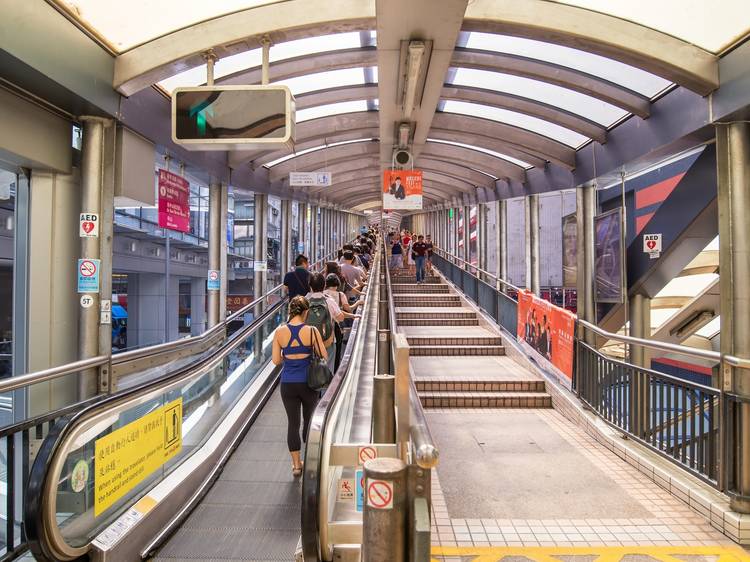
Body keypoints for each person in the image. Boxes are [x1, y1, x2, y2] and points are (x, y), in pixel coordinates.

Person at [272, 296, 327, 477]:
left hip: (288, 384)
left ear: (290, 311)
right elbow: (323, 355)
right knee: (309, 421)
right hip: (308, 383)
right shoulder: (311, 331)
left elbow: (276, 360)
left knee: (292, 424)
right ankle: (310, 458)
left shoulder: (279, 332)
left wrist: (289, 356)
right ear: (306, 312)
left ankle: (296, 465)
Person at [325, 273, 362, 370]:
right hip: (336, 327)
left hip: (322, 326)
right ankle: (335, 372)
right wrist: (356, 306)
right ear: (337, 284)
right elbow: (347, 309)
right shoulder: (340, 295)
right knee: (337, 350)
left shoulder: (323, 294)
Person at [305, 273, 338, 372]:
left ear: (310, 286)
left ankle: (311, 384)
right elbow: (340, 317)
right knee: (327, 367)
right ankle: (326, 386)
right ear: (324, 285)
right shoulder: (329, 300)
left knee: (309, 366)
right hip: (327, 340)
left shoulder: (305, 301)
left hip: (308, 341)